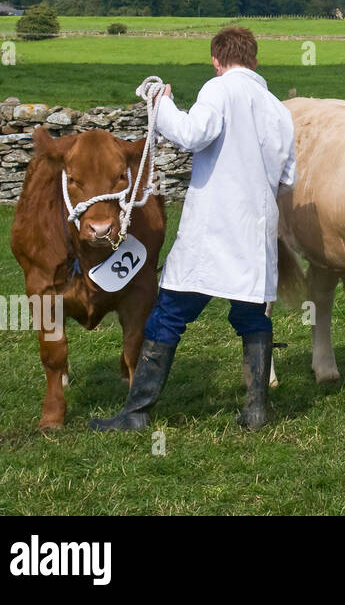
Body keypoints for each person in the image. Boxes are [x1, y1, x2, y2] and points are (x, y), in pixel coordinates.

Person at [91, 26, 296, 433]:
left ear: (217, 61)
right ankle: (256, 412)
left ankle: (136, 413)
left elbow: (190, 134)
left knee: (169, 316)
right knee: (253, 317)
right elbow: (287, 177)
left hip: (214, 227)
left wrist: (160, 103)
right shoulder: (277, 108)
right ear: (254, 60)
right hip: (255, 228)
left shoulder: (218, 90)